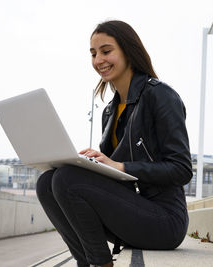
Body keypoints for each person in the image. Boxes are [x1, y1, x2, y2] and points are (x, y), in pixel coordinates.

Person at [36, 20, 193, 267]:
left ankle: (101, 264)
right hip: (128, 211)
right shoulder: (110, 111)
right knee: (47, 182)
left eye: (106, 51)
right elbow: (109, 177)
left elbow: (182, 170)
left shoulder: (160, 96)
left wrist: (121, 166)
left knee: (66, 179)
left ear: (129, 51)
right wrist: (92, 164)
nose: (98, 60)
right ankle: (86, 262)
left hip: (164, 220)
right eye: (93, 53)